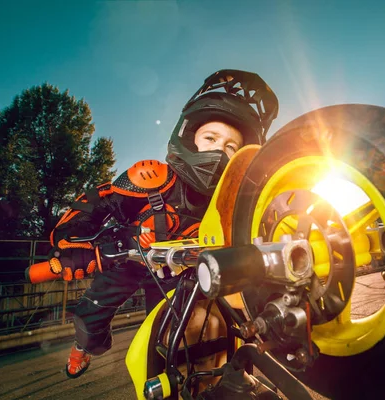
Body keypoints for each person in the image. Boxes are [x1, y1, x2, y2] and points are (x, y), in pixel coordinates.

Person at [47, 69, 279, 379]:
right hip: (128, 258)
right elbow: (95, 201)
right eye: (210, 138)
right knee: (88, 320)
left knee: (180, 336)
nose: (218, 151)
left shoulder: (237, 204)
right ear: (188, 136)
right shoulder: (153, 179)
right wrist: (73, 242)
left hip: (182, 274)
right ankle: (85, 346)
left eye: (230, 148)